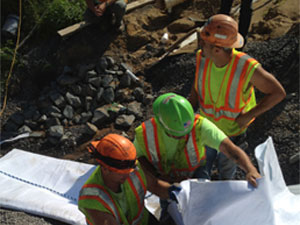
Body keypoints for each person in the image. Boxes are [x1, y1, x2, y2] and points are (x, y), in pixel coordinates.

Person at [133, 93, 261, 221]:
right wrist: (162, 182)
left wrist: (250, 169)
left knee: (205, 209)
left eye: (187, 132)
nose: (184, 137)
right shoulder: (145, 134)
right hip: (165, 178)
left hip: (196, 171)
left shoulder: (200, 125)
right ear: (162, 125)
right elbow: (140, 164)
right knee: (170, 212)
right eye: (177, 135)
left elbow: (230, 149)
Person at [189, 14, 286, 180]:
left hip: (232, 134)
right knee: (200, 173)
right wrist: (188, 116)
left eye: (203, 42)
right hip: (206, 130)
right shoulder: (203, 58)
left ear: (217, 49)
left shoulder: (245, 67)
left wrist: (248, 116)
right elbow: (196, 88)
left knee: (227, 174)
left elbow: (278, 93)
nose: (200, 46)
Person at [78, 133, 180, 225]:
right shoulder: (93, 198)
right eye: (122, 173)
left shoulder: (132, 168)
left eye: (130, 170)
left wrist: (174, 192)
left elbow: (154, 185)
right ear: (105, 169)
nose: (128, 175)